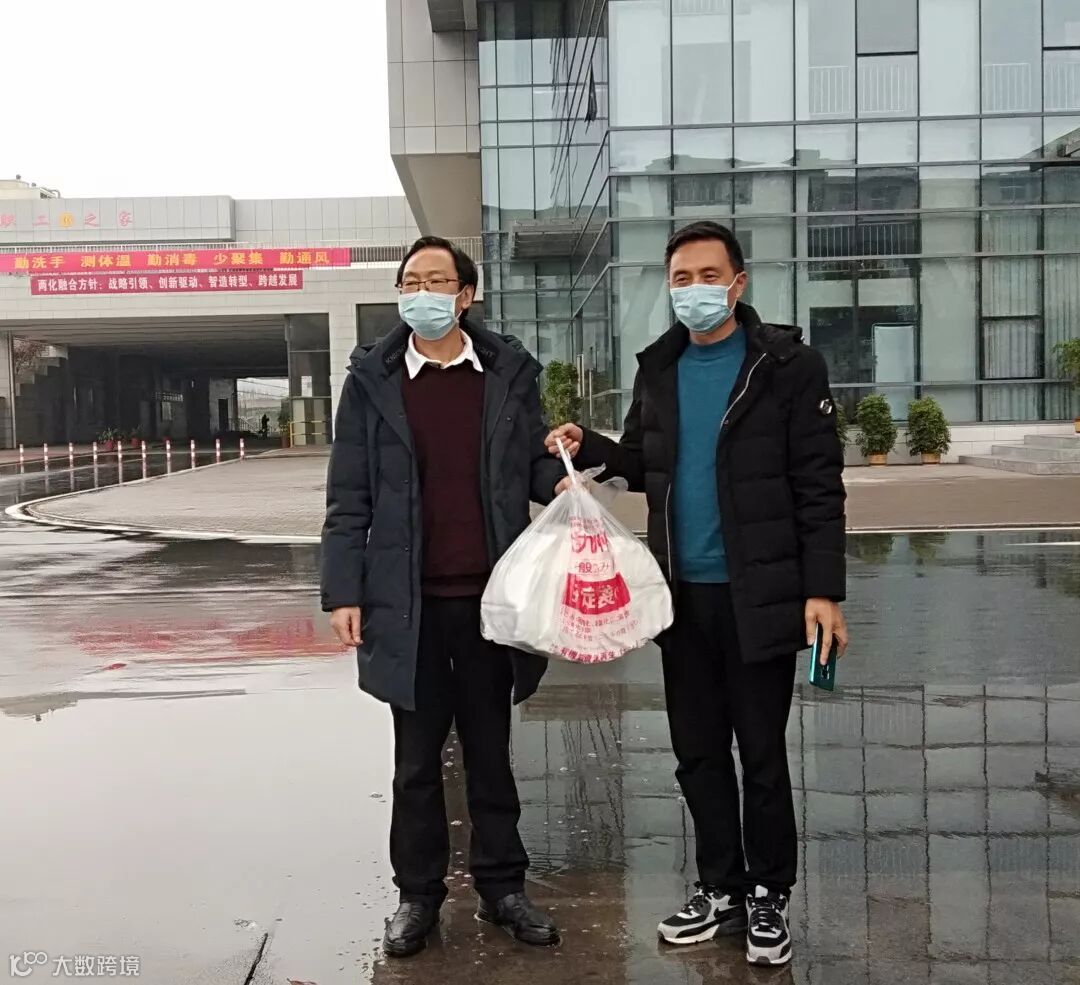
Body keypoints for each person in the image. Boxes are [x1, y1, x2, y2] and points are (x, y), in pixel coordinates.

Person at [547, 221, 848, 967]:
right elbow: (645, 460)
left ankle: (769, 894)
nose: (694, 290)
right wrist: (591, 450)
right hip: (681, 597)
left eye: (708, 275)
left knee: (762, 753)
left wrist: (823, 591)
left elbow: (819, 486)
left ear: (738, 283)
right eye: (681, 278)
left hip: (760, 593)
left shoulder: (786, 367)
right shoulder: (661, 367)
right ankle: (721, 887)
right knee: (698, 753)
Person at [321, 236, 563, 958]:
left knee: (491, 750)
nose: (420, 293)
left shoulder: (506, 374)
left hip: (491, 598)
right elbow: (348, 494)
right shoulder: (373, 380)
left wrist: (561, 477)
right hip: (407, 602)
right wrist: (343, 590)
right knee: (416, 761)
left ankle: (502, 886)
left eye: (435, 281)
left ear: (465, 295)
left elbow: (529, 464)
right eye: (409, 282)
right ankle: (417, 895)